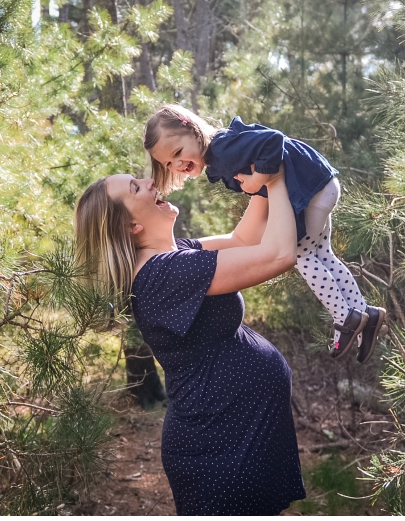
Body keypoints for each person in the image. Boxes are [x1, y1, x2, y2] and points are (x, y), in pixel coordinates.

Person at [74, 169, 306, 515]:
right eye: (136, 187)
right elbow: (278, 255)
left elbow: (243, 241)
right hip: (219, 443)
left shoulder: (172, 256)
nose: (151, 181)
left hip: (234, 429)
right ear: (130, 226)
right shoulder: (163, 274)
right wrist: (276, 179)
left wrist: (261, 173)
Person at [143, 104, 387, 364]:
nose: (177, 164)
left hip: (311, 189)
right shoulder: (223, 147)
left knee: (302, 256)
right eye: (169, 162)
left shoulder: (222, 149)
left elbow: (274, 140)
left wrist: (260, 179)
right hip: (320, 184)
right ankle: (364, 313)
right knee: (323, 254)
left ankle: (344, 318)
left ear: (192, 129)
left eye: (178, 152)